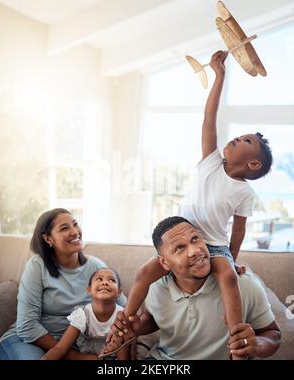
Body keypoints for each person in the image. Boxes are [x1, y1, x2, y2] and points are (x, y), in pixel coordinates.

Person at [100, 50, 273, 358]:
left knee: (229, 277)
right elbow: (209, 118)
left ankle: (236, 344)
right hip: (182, 236)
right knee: (143, 273)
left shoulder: (244, 193)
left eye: (246, 142)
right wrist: (220, 77)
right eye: (240, 136)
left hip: (215, 247)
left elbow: (238, 231)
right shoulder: (210, 163)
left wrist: (232, 259)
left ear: (254, 164)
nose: (236, 139)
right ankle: (122, 322)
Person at [108, 217, 281, 360]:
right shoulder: (155, 286)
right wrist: (138, 326)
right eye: (180, 248)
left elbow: (273, 334)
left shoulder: (244, 285)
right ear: (164, 262)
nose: (194, 251)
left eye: (195, 239)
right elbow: (156, 319)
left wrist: (256, 344)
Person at [0, 208, 125, 360]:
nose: (75, 231)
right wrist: (74, 356)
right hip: (28, 341)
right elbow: (27, 325)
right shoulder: (37, 266)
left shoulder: (97, 267)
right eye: (64, 228)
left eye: (75, 224)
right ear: (48, 239)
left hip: (75, 344)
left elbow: (124, 310)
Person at [42, 268, 130, 360]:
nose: (104, 283)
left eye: (111, 280)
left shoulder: (121, 317)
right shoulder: (82, 315)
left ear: (119, 292)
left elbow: (123, 358)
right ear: (89, 290)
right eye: (99, 279)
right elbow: (60, 348)